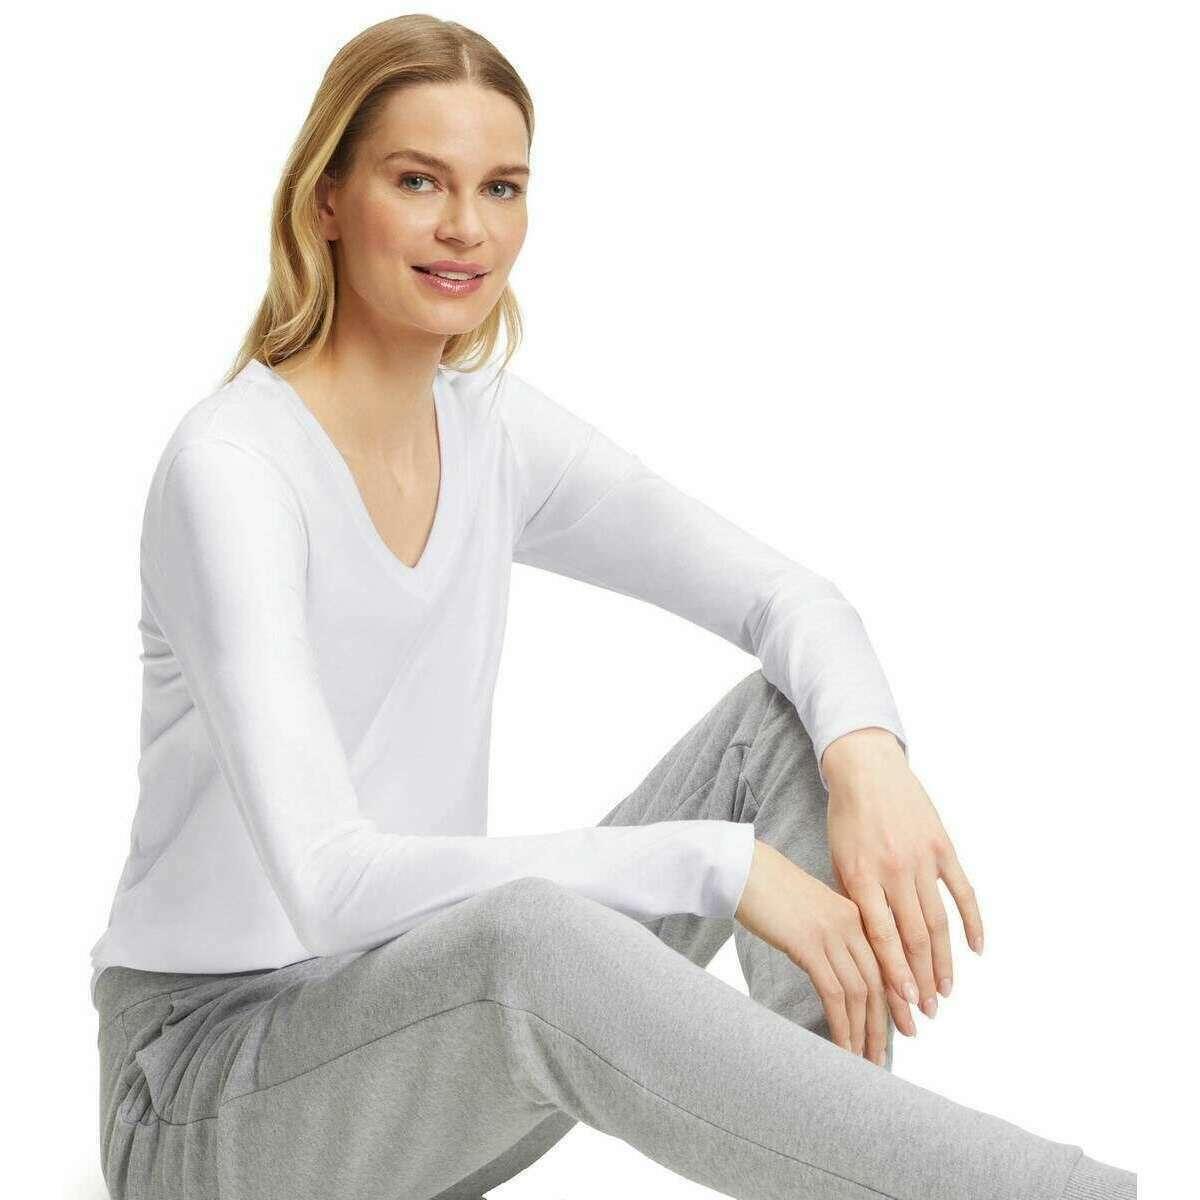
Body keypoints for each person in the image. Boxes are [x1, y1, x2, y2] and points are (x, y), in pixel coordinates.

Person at [89, 14, 1137, 1200]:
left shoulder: (486, 427)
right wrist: (720, 864)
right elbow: (333, 889)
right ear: (327, 199)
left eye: (501, 187)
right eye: (418, 180)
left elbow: (788, 597)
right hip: (201, 1092)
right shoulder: (234, 470)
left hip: (416, 1047)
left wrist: (868, 752)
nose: (466, 227)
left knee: (786, 725)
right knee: (525, 940)